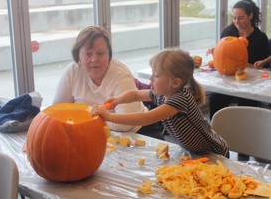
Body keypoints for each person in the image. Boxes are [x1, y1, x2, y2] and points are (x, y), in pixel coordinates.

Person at [91, 48, 230, 157]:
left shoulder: (179, 100)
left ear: (175, 82)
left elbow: (146, 118)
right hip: (195, 152)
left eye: (156, 75)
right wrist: (118, 100)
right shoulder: (163, 95)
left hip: (214, 153)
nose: (151, 78)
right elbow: (135, 94)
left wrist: (108, 117)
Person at [52, 26, 164, 139]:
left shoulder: (121, 75)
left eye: (100, 54)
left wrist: (88, 120)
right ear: (78, 56)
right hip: (93, 131)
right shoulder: (72, 71)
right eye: (88, 54)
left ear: (109, 54)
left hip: (139, 132)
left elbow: (125, 125)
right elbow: (58, 110)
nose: (94, 59)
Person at [207, 0, 270, 120]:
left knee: (248, 103)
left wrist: (249, 65)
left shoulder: (260, 38)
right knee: (215, 99)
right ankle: (215, 134)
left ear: (250, 16)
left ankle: (243, 134)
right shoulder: (228, 31)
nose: (237, 22)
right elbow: (223, 54)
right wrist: (215, 52)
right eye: (234, 18)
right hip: (228, 79)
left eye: (240, 18)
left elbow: (262, 70)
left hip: (250, 82)